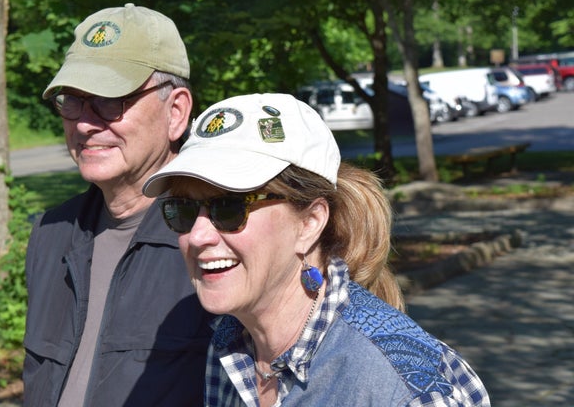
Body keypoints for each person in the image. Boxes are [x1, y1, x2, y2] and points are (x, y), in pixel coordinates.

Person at [143, 93, 491, 406]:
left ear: (310, 222)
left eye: (229, 208)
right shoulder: (230, 348)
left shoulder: (400, 387)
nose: (198, 235)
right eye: (184, 210)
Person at [23, 3, 213, 407]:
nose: (85, 123)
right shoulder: (51, 235)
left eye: (111, 100)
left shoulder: (219, 232)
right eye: (72, 99)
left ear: (175, 112)